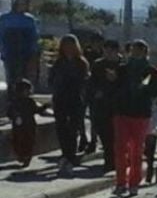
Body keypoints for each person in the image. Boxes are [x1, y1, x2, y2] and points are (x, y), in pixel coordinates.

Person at [109, 39, 157, 197]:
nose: (135, 53)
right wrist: (113, 80)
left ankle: (134, 182)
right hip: (122, 112)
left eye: (139, 50)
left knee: (136, 150)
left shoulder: (150, 71)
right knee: (120, 149)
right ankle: (120, 182)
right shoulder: (122, 69)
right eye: (133, 50)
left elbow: (152, 90)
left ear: (145, 52)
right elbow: (114, 88)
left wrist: (144, 85)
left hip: (141, 114)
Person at [48, 34, 90, 178]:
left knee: (73, 128)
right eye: (65, 45)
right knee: (61, 127)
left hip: (75, 99)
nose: (68, 48)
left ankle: (70, 156)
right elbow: (51, 79)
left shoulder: (81, 62)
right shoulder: (59, 62)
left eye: (71, 45)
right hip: (60, 99)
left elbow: (84, 81)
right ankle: (65, 153)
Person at [88, 40, 123, 172]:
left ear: (116, 51)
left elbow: (126, 84)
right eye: (106, 51)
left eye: (111, 51)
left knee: (117, 136)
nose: (108, 53)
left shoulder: (123, 65)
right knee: (105, 134)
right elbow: (91, 83)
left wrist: (115, 79)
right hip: (102, 105)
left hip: (118, 106)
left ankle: (115, 160)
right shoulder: (98, 65)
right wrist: (96, 92)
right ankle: (109, 160)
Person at [0, 0, 39, 103]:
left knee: (24, 81)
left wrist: (33, 55)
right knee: (12, 79)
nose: (22, 5)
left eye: (25, 3)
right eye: (20, 2)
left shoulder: (29, 20)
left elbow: (33, 39)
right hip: (10, 55)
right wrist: (3, 51)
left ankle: (23, 104)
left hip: (26, 55)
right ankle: (11, 103)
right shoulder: (5, 18)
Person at [8, 79, 48, 167]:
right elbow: (10, 112)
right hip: (19, 127)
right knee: (18, 142)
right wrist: (15, 116)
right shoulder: (15, 102)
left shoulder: (30, 101)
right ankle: (21, 156)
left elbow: (36, 110)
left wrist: (44, 107)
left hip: (29, 126)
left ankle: (27, 157)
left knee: (29, 142)